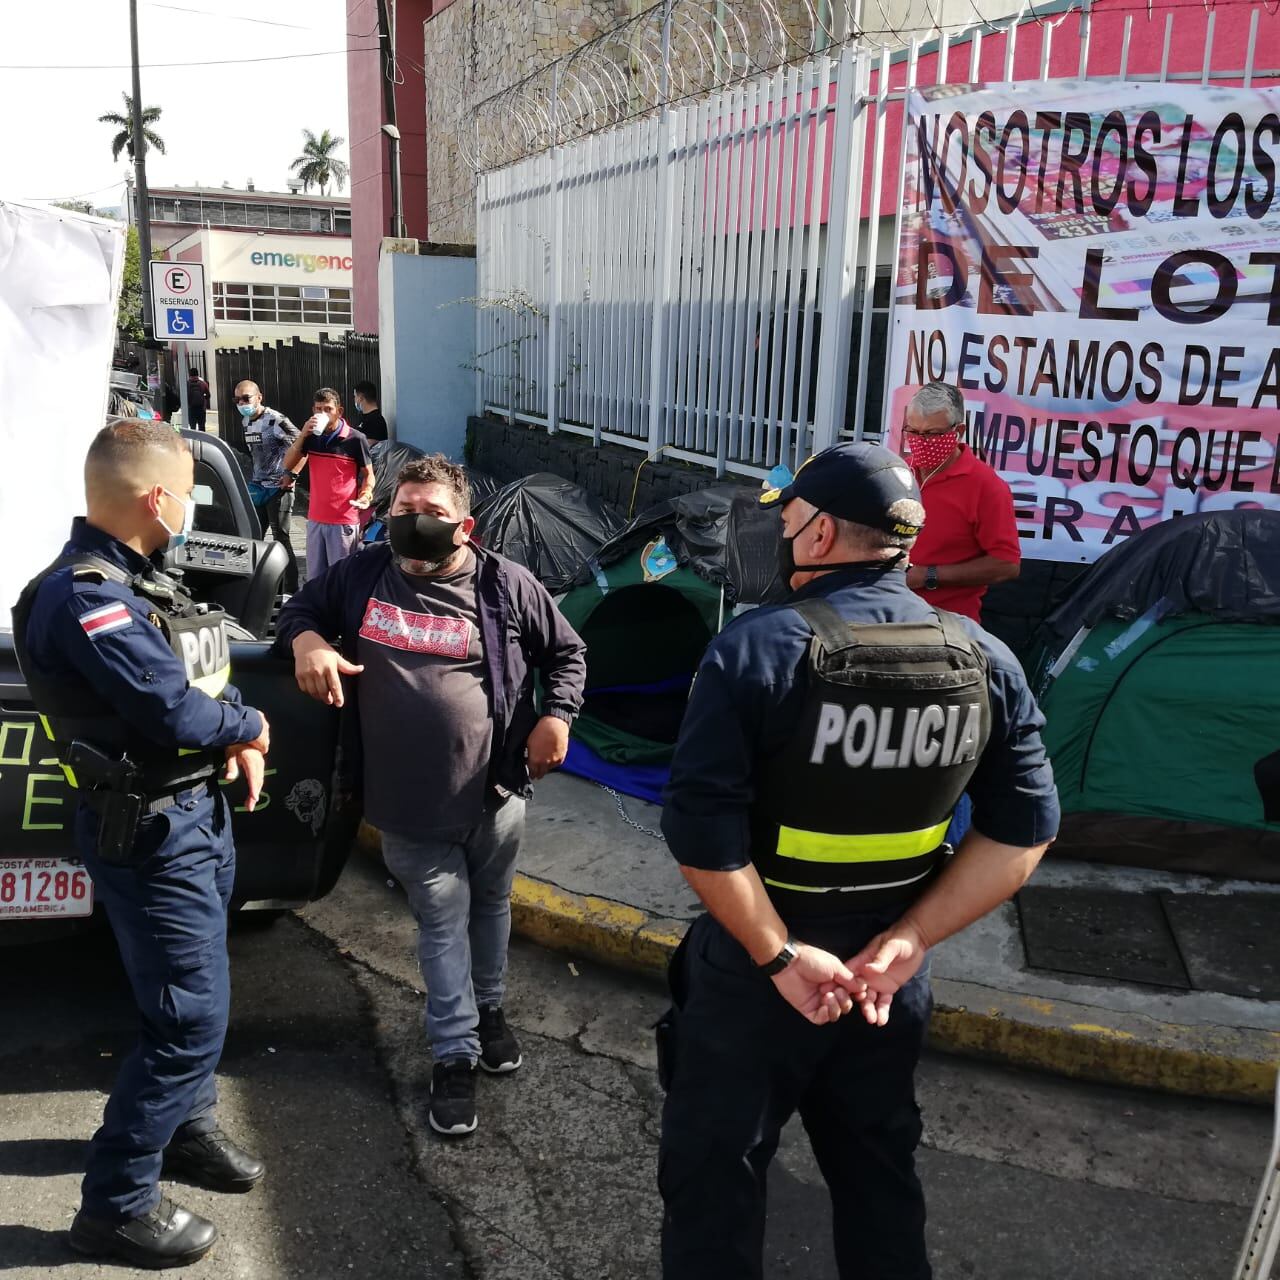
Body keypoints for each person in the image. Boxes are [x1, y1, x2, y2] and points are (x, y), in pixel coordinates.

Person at [657, 442, 1059, 1280]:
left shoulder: (754, 652)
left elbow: (704, 838)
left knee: (715, 1191)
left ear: (822, 532)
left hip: (757, 979)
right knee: (880, 1182)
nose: (781, 533)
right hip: (884, 983)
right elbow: (1023, 834)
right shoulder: (987, 659)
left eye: (788, 519)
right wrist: (909, 942)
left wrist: (778, 954)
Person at [13, 419, 272, 1269]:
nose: (191, 510)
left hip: (192, 816)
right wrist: (250, 725)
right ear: (158, 498)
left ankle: (184, 1130)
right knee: (186, 1020)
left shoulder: (135, 579)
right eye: (189, 493)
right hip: (154, 831)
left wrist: (224, 742)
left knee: (193, 997)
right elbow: (174, 711)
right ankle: (115, 1204)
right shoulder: (88, 594)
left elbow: (185, 683)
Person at [274, 454, 586, 1137]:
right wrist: (306, 643)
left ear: (465, 526)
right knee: (443, 923)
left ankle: (491, 1009)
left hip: (495, 795)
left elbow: (567, 653)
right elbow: (300, 605)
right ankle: (455, 1055)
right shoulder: (363, 572)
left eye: (431, 514)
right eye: (401, 511)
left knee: (492, 907)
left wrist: (557, 716)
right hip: (405, 805)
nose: (413, 525)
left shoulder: (507, 584)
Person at [901, 381, 1021, 623]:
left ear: (959, 431)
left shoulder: (986, 487)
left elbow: (1006, 564)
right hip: (888, 613)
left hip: (947, 625)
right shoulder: (898, 470)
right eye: (913, 432)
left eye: (932, 434)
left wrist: (929, 575)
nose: (921, 441)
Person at [281, 387, 374, 581]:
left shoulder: (356, 439)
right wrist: (302, 435)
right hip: (315, 519)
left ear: (339, 411)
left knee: (341, 579)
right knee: (316, 580)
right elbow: (287, 463)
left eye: (327, 409)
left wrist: (365, 495)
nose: (322, 413)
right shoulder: (311, 437)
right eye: (318, 409)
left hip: (343, 521)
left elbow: (368, 475)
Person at [234, 380, 301, 594]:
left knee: (280, 537)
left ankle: (290, 590)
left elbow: (301, 443)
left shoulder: (276, 420)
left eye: (246, 398)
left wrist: (291, 474)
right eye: (237, 399)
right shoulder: (246, 421)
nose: (242, 403)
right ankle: (256, 586)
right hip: (258, 487)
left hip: (278, 488)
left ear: (259, 397)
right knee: (253, 537)